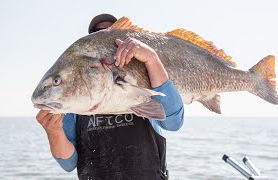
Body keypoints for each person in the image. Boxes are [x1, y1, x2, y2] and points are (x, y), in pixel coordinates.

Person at [36, 14, 184, 180]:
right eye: (97, 32)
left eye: (112, 30)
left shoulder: (147, 73)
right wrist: (54, 132)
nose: (106, 33)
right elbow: (68, 164)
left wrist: (152, 58)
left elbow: (173, 123)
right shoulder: (74, 105)